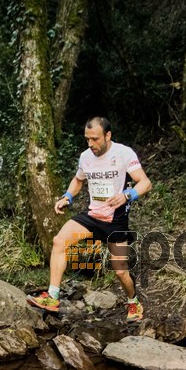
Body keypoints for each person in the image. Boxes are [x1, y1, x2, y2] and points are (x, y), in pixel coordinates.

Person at [27, 117, 152, 323]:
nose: (90, 144)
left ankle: (133, 302)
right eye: (87, 139)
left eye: (95, 139)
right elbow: (78, 179)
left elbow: (145, 183)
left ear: (107, 135)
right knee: (59, 241)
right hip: (92, 217)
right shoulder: (86, 156)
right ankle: (52, 297)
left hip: (116, 221)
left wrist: (127, 195)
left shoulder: (123, 153)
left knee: (120, 271)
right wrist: (67, 196)